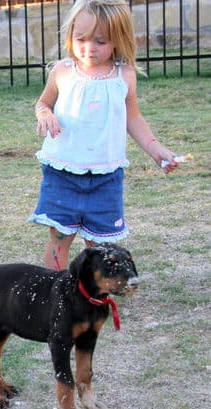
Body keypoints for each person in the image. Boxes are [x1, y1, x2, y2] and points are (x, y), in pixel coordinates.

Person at [30, 0, 179, 270]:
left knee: (100, 246)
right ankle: (54, 293)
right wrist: (45, 115)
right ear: (70, 35)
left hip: (106, 177)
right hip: (63, 173)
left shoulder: (125, 76)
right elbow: (43, 103)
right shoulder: (63, 72)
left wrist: (158, 151)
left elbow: (134, 118)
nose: (88, 47)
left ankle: (94, 296)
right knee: (60, 239)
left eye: (100, 41)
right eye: (81, 38)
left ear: (117, 40)